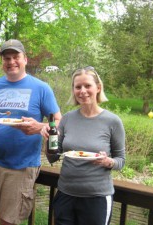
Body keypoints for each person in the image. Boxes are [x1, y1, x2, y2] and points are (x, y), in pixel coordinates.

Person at [0, 39, 61, 225]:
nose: (11, 62)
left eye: (16, 57)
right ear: (2, 62)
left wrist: (40, 127)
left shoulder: (41, 88)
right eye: (6, 58)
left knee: (8, 221)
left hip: (22, 166)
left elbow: (58, 120)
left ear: (25, 59)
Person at [41, 66, 126, 225]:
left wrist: (108, 162)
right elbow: (53, 157)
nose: (82, 91)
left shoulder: (113, 121)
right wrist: (47, 140)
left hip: (96, 198)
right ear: (73, 90)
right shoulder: (67, 118)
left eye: (87, 85)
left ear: (98, 87)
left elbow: (121, 160)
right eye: (78, 87)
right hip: (66, 194)